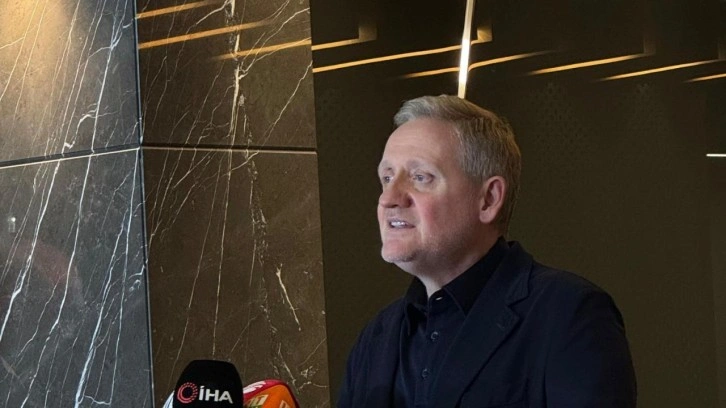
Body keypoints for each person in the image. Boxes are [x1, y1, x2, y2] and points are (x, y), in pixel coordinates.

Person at [337, 95, 637, 408]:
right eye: (387, 178)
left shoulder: (568, 314)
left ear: (489, 199)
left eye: (420, 177)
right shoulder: (377, 336)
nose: (389, 198)